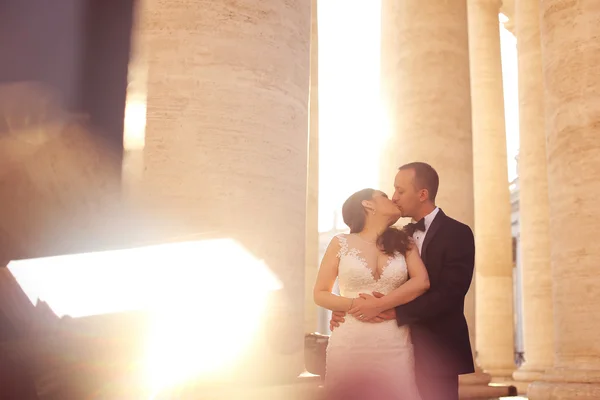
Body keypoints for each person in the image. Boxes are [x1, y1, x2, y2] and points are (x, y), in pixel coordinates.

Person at [329, 162, 475, 400]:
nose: (395, 197)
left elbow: (452, 292)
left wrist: (395, 311)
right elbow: (376, 280)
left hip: (436, 348)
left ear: (423, 194)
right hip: (390, 343)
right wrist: (346, 308)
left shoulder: (458, 232)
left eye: (400, 191)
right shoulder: (397, 237)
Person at [314, 188, 429, 400]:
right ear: (368, 204)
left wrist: (380, 304)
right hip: (349, 343)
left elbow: (421, 281)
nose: (393, 198)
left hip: (394, 343)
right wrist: (352, 305)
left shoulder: (405, 242)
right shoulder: (340, 243)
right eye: (384, 196)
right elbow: (320, 293)